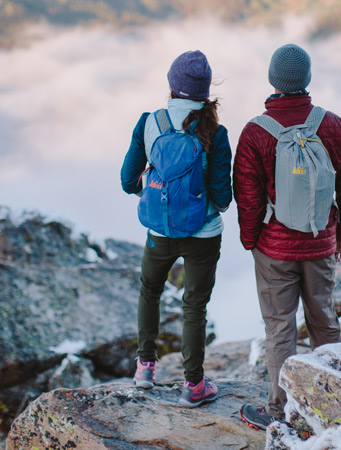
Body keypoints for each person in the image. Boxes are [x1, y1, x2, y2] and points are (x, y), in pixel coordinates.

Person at [234, 43, 341, 429]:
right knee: (324, 322)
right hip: (320, 242)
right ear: (306, 80)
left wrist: (251, 239)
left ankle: (280, 411)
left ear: (273, 80)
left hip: (274, 247)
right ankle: (333, 404)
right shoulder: (332, 125)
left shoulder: (256, 132)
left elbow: (248, 195)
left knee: (279, 328)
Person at [120, 50, 232, 408]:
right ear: (204, 91)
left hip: (161, 230)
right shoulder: (216, 130)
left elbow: (127, 181)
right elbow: (223, 196)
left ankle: (144, 370)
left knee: (149, 290)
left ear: (172, 85)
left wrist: (154, 189)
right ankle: (193, 386)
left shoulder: (149, 122)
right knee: (194, 307)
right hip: (204, 234)